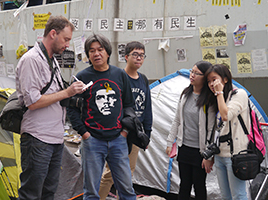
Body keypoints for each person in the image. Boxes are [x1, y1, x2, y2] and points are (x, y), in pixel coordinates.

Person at [16, 15, 85, 200]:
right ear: (53, 33)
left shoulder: (51, 59)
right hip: (37, 137)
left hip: (54, 138)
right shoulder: (32, 60)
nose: (67, 45)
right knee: (32, 192)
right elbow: (33, 102)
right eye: (66, 39)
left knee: (49, 191)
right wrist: (67, 93)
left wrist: (70, 95)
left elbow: (53, 96)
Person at [67, 33, 137, 200]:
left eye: (100, 50)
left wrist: (125, 132)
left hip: (118, 140)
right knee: (91, 192)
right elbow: (72, 109)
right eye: (91, 51)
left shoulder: (120, 75)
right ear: (88, 55)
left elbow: (129, 105)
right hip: (92, 141)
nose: (96, 54)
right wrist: (84, 134)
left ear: (107, 52)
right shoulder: (82, 77)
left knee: (127, 189)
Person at [98, 41, 153, 200]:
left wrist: (147, 134)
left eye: (142, 55)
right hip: (119, 134)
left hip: (135, 133)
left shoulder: (143, 79)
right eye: (135, 54)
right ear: (126, 56)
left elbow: (147, 109)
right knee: (110, 174)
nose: (139, 58)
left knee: (128, 174)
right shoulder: (118, 77)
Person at [165, 61, 216, 200]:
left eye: (196, 73)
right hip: (184, 147)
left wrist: (208, 156)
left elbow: (211, 129)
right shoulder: (185, 94)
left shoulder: (209, 100)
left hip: (200, 151)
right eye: (192, 72)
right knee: (184, 184)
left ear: (205, 78)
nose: (192, 75)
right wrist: (170, 142)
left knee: (199, 185)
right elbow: (177, 120)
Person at [205, 64, 249, 200]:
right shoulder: (218, 99)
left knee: (239, 195)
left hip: (236, 155)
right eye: (209, 81)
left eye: (214, 79)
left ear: (225, 79)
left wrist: (219, 93)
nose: (211, 84)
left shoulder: (239, 94)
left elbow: (226, 115)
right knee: (225, 196)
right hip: (219, 155)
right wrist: (209, 156)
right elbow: (217, 130)